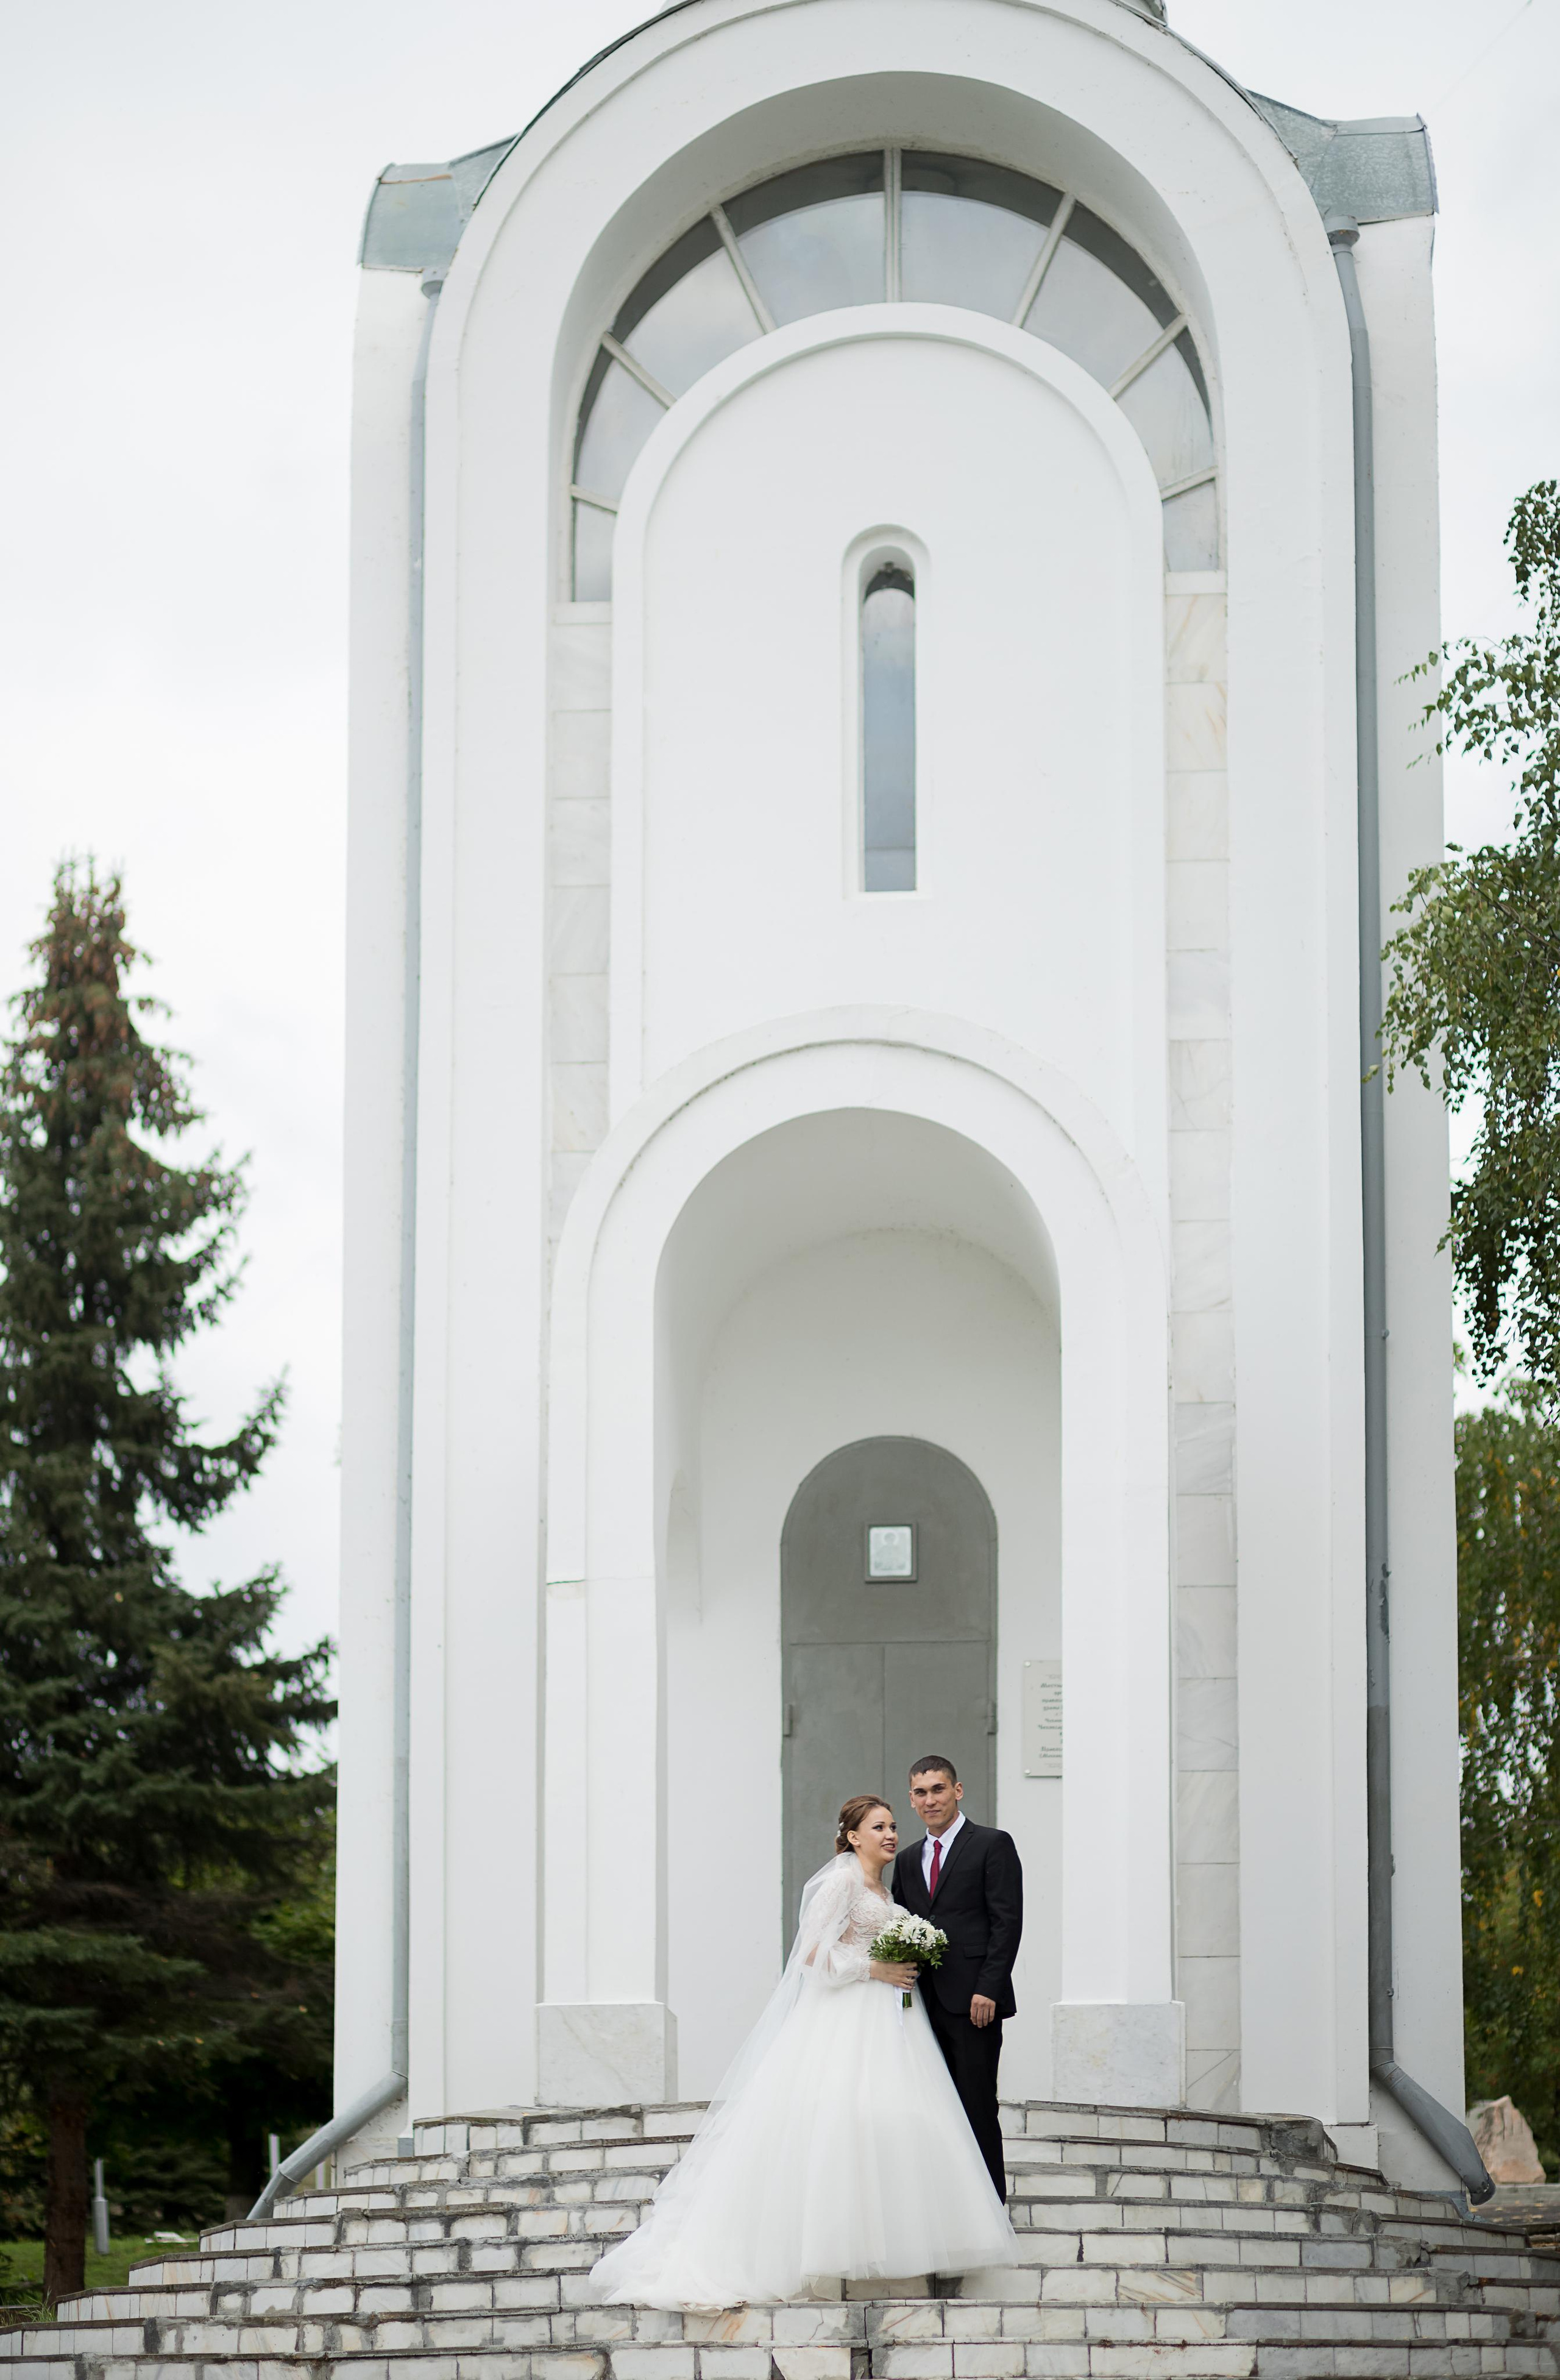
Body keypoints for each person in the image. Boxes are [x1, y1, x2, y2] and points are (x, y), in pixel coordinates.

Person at [589, 1793, 1017, 2309]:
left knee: (892, 2115)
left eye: (892, 1826)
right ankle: (826, 2242)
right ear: (853, 1836)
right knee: (839, 2116)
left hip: (894, 2019)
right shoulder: (841, 1883)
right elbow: (811, 1951)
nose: (890, 1834)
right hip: (847, 2013)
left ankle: (887, 2236)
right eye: (878, 1827)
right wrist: (873, 1968)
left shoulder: (886, 1890)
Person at [890, 1755, 1023, 2202]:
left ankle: (992, 2209)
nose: (930, 1800)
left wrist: (988, 1987)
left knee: (977, 2107)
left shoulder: (992, 1844)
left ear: (957, 1790)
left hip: (974, 2004)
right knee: (933, 2109)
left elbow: (1007, 1922)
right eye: (921, 1792)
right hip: (924, 2006)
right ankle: (948, 2206)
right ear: (912, 1800)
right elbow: (903, 1925)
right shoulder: (907, 1859)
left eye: (938, 1789)